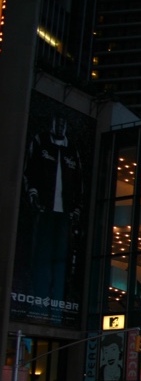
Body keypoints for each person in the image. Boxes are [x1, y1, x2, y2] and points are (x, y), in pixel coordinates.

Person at [20, 110, 85, 316]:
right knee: (42, 257)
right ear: (53, 122)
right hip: (45, 210)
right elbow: (29, 170)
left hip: (64, 215)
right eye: (58, 122)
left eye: (63, 123)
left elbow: (79, 184)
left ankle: (57, 308)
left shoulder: (71, 151)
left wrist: (76, 208)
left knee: (61, 260)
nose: (60, 126)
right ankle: (38, 304)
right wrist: (32, 193)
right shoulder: (40, 142)